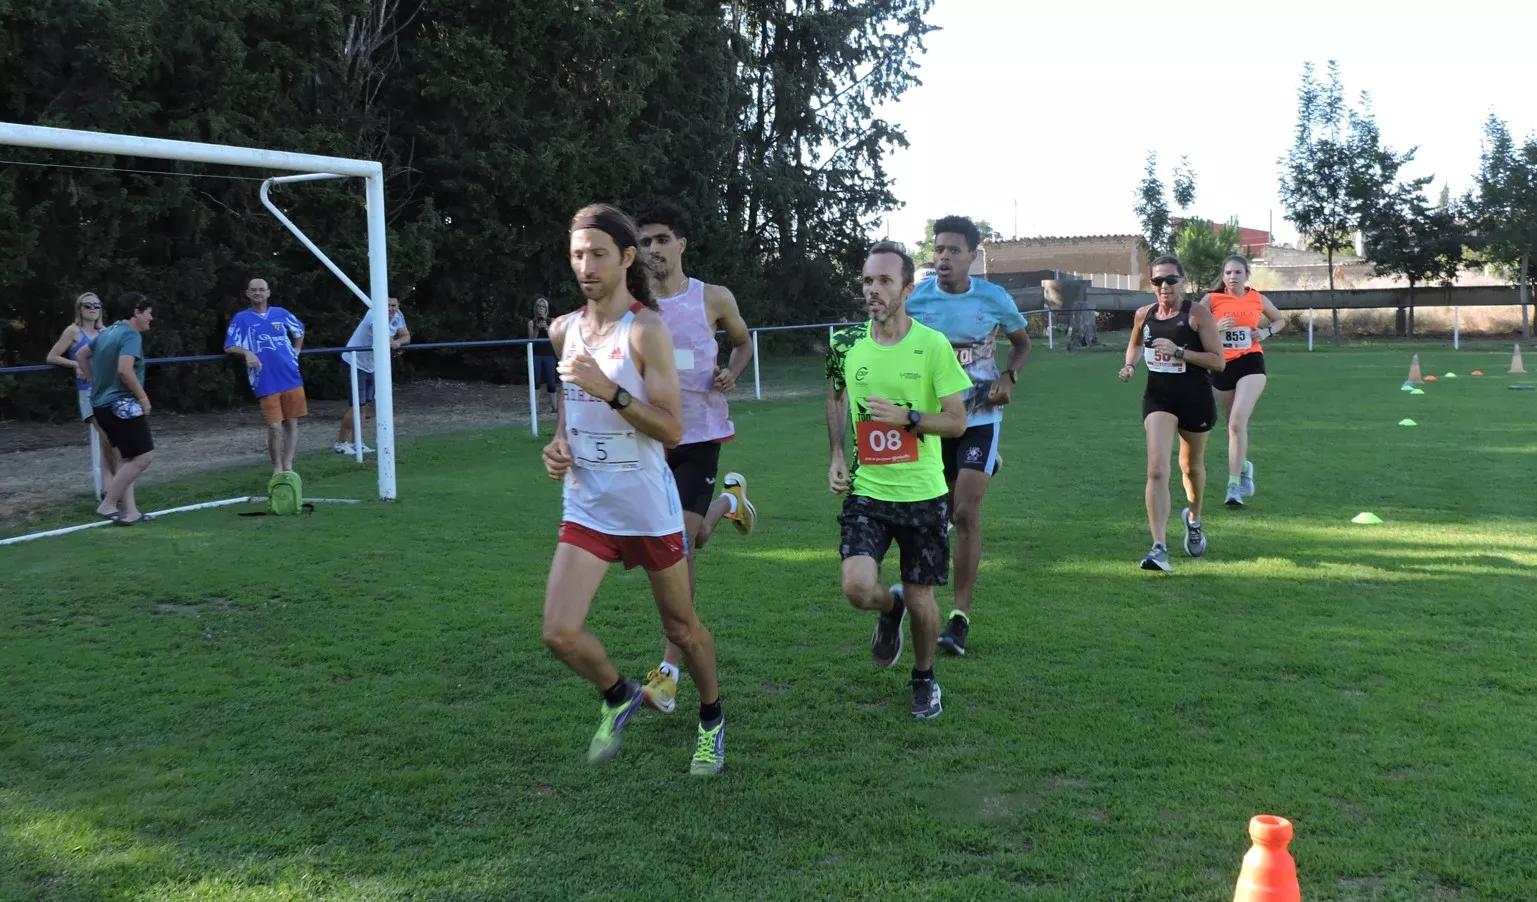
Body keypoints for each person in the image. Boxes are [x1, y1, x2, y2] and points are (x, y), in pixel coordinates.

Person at [539, 204, 724, 775]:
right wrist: (558, 445)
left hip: (647, 505)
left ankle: (712, 720)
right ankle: (619, 694)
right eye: (577, 254)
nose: (586, 265)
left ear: (625, 257)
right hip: (588, 502)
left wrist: (611, 391)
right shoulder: (563, 330)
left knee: (681, 628)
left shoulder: (646, 329)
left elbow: (672, 427)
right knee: (559, 632)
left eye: (598, 253)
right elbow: (569, 414)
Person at [826, 240, 970, 719]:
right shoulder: (846, 344)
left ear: (907, 287)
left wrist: (908, 417)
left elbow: (956, 422)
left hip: (924, 493)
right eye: (867, 279)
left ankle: (924, 676)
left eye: (885, 280)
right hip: (869, 490)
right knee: (855, 587)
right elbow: (836, 396)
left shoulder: (932, 346)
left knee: (922, 595)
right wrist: (836, 455)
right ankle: (888, 609)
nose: (873, 289)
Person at [633, 197, 758, 715]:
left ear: (681, 244)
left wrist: (733, 370)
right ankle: (731, 501)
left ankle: (667, 672)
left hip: (700, 434)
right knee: (694, 539)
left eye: (662, 239)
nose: (653, 249)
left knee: (680, 545)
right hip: (649, 438)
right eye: (644, 242)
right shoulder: (632, 305)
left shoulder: (713, 297)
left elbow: (743, 343)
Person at [904, 216, 1030, 657]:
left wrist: (1009, 377)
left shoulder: (994, 299)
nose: (943, 257)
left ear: (972, 256)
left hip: (980, 415)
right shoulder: (916, 300)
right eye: (938, 249)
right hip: (935, 422)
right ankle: (919, 598)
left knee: (964, 513)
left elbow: (1021, 343)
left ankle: (959, 617)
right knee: (936, 512)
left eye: (954, 250)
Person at [1118, 255, 1226, 572]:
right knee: (1157, 470)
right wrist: (1129, 365)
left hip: (1195, 398)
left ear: (1182, 280)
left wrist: (1179, 351)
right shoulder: (1144, 315)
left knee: (1191, 467)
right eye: (1157, 281)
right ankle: (1159, 547)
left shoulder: (1198, 315)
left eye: (1170, 280)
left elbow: (1218, 362)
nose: (1164, 286)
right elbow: (1136, 344)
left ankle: (1193, 518)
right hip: (1159, 397)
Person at [1199, 255, 1285, 506]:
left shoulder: (1257, 297)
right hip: (1221, 365)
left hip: (1251, 362)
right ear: (1222, 276)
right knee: (1232, 427)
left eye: (1238, 272)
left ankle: (1234, 486)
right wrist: (1215, 325)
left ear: (1246, 274)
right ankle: (1245, 465)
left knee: (1237, 422)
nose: (1232, 277)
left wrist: (1266, 332)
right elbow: (1193, 326)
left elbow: (1279, 320)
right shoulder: (1212, 299)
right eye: (1228, 273)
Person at [75, 292, 157, 525]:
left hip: (101, 405)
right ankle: (108, 503)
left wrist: (93, 380)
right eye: (149, 313)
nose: (151, 318)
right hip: (122, 404)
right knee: (144, 457)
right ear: (137, 311)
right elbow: (124, 370)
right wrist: (143, 398)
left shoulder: (108, 331)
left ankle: (131, 512)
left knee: (126, 458)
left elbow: (82, 354)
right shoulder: (130, 335)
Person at [224, 277, 307, 474]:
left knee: (292, 422)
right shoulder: (242, 319)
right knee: (274, 426)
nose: (258, 293)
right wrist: (247, 352)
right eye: (254, 290)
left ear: (268, 293)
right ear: (248, 293)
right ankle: (277, 467)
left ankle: (288, 466)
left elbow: (299, 330)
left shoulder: (281, 314)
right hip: (265, 379)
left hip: (290, 375)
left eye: (261, 290)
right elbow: (229, 346)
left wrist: (296, 351)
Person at [46, 291, 116, 485]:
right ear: (79, 309)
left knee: (110, 440)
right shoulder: (73, 331)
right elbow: (52, 356)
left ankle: (109, 487)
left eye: (97, 305)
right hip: (88, 390)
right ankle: (112, 486)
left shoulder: (106, 332)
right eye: (88, 305)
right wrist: (76, 365)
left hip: (109, 390)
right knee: (108, 437)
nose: (93, 309)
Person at [335, 296, 409, 454]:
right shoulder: (373, 314)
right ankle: (341, 443)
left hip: (371, 365)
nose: (390, 308)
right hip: (354, 361)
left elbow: (405, 336)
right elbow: (384, 337)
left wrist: (398, 343)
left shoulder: (398, 315)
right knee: (356, 404)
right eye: (387, 305)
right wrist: (393, 343)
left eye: (393, 305)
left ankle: (357, 443)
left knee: (364, 405)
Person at [528, 297, 560, 416]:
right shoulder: (531, 323)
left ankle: (554, 407)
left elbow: (557, 339)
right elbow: (531, 341)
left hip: (549, 354)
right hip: (536, 354)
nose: (541, 309)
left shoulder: (553, 321)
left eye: (543, 307)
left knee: (551, 382)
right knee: (535, 382)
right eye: (539, 306)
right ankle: (535, 409)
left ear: (546, 309)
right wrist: (537, 329)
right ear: (535, 308)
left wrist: (548, 329)